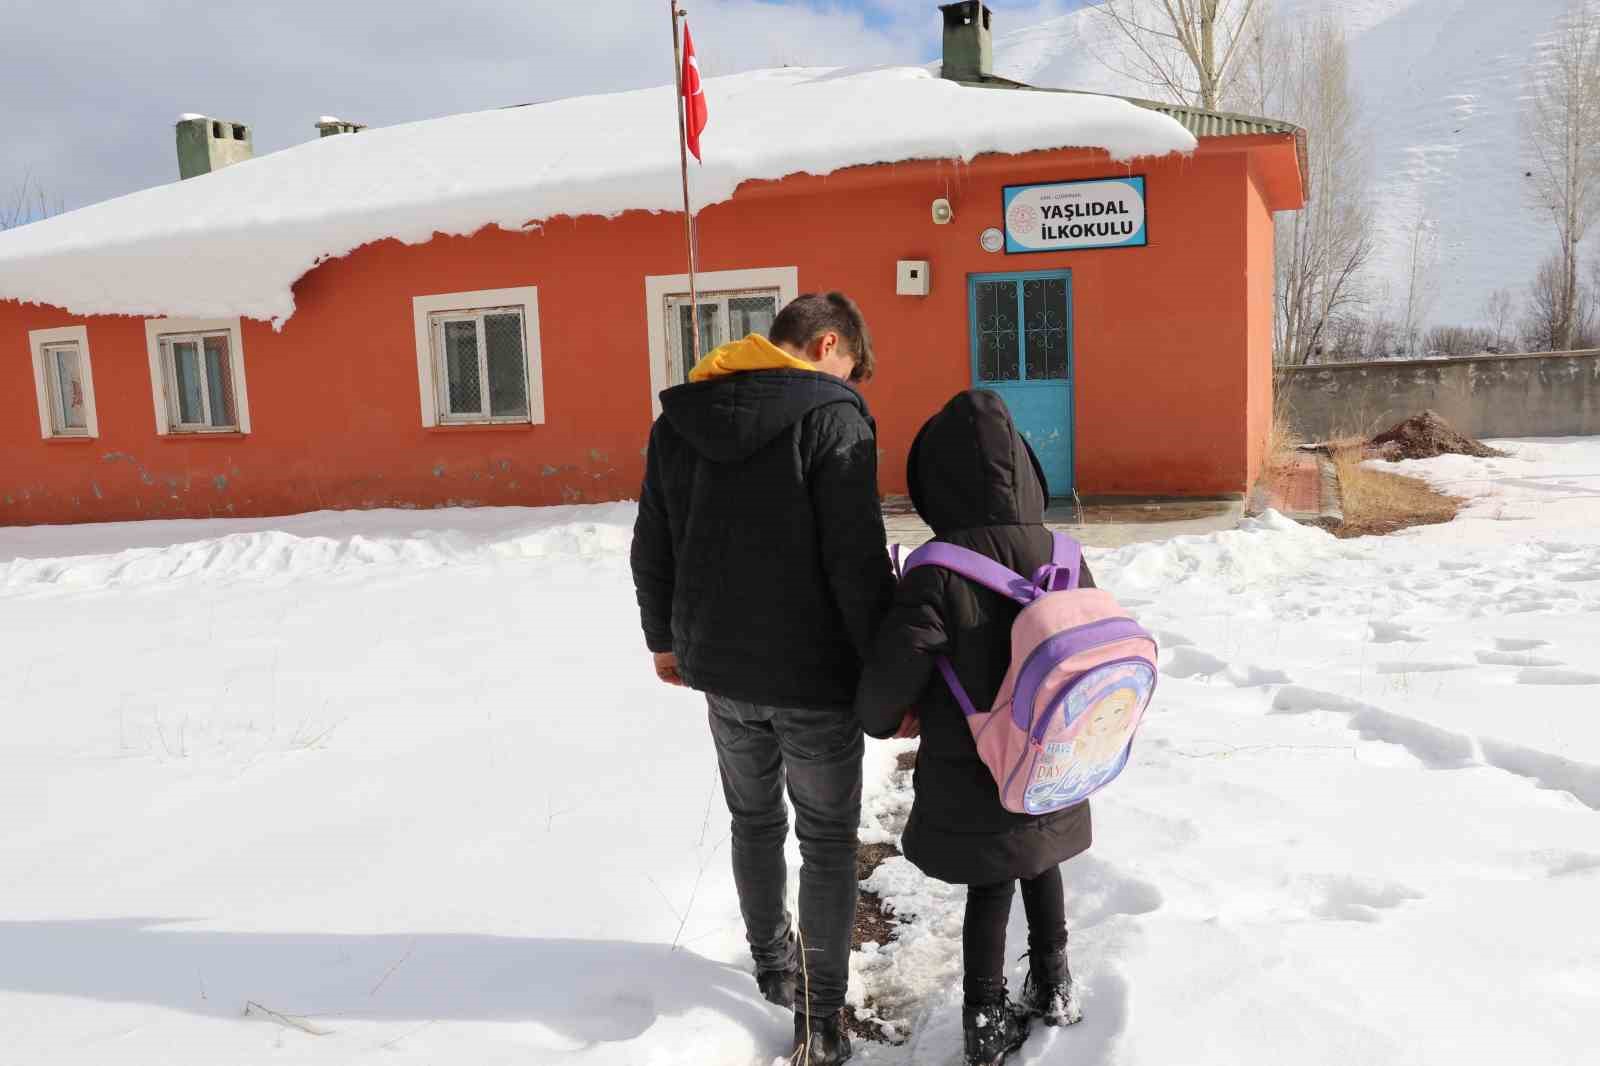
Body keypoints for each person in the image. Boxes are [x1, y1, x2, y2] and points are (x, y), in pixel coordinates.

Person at [631, 292, 894, 1066]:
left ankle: (773, 966)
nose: (851, 382)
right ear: (824, 344)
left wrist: (665, 641)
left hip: (720, 670)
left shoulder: (681, 417)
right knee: (827, 841)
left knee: (754, 823)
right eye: (850, 366)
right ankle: (819, 1017)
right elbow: (856, 561)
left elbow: (653, 541)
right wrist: (884, 665)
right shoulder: (832, 417)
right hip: (813, 676)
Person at [854, 390, 1095, 1066]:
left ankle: (984, 1020)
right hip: (1054, 755)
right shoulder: (1065, 553)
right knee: (1039, 855)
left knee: (992, 881)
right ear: (1024, 469)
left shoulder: (937, 569)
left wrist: (883, 718)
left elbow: (891, 681)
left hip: (977, 762)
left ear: (938, 478)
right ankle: (1053, 983)